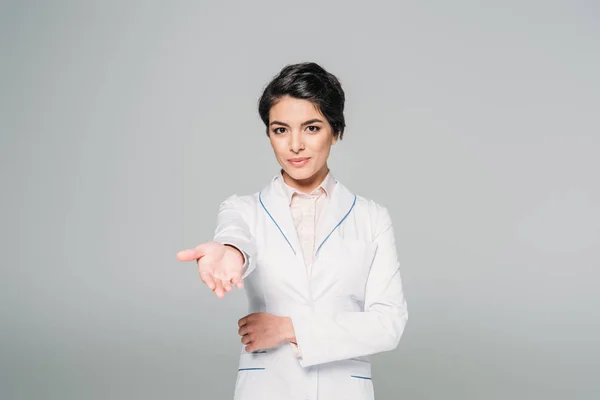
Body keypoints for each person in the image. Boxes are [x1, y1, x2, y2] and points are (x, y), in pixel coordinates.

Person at [176, 62, 408, 400]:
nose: (294, 145)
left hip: (342, 388)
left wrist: (289, 329)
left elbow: (389, 324)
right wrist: (230, 253)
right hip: (268, 387)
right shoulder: (243, 209)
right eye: (280, 130)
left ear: (336, 131)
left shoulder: (372, 218)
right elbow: (237, 241)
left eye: (311, 128)